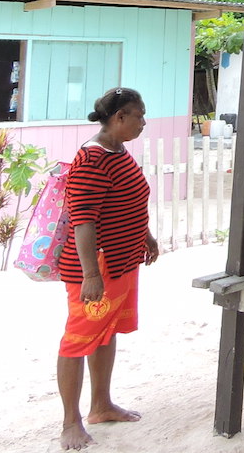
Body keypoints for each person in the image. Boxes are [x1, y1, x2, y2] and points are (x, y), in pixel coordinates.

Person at [56, 87, 159, 449]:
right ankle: (71, 421)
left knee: (106, 331)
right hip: (98, 265)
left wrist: (144, 235)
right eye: (139, 116)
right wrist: (91, 275)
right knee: (78, 339)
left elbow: (126, 200)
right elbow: (84, 221)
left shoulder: (118, 151)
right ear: (119, 118)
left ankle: (101, 405)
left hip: (123, 260)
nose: (143, 123)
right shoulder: (93, 158)